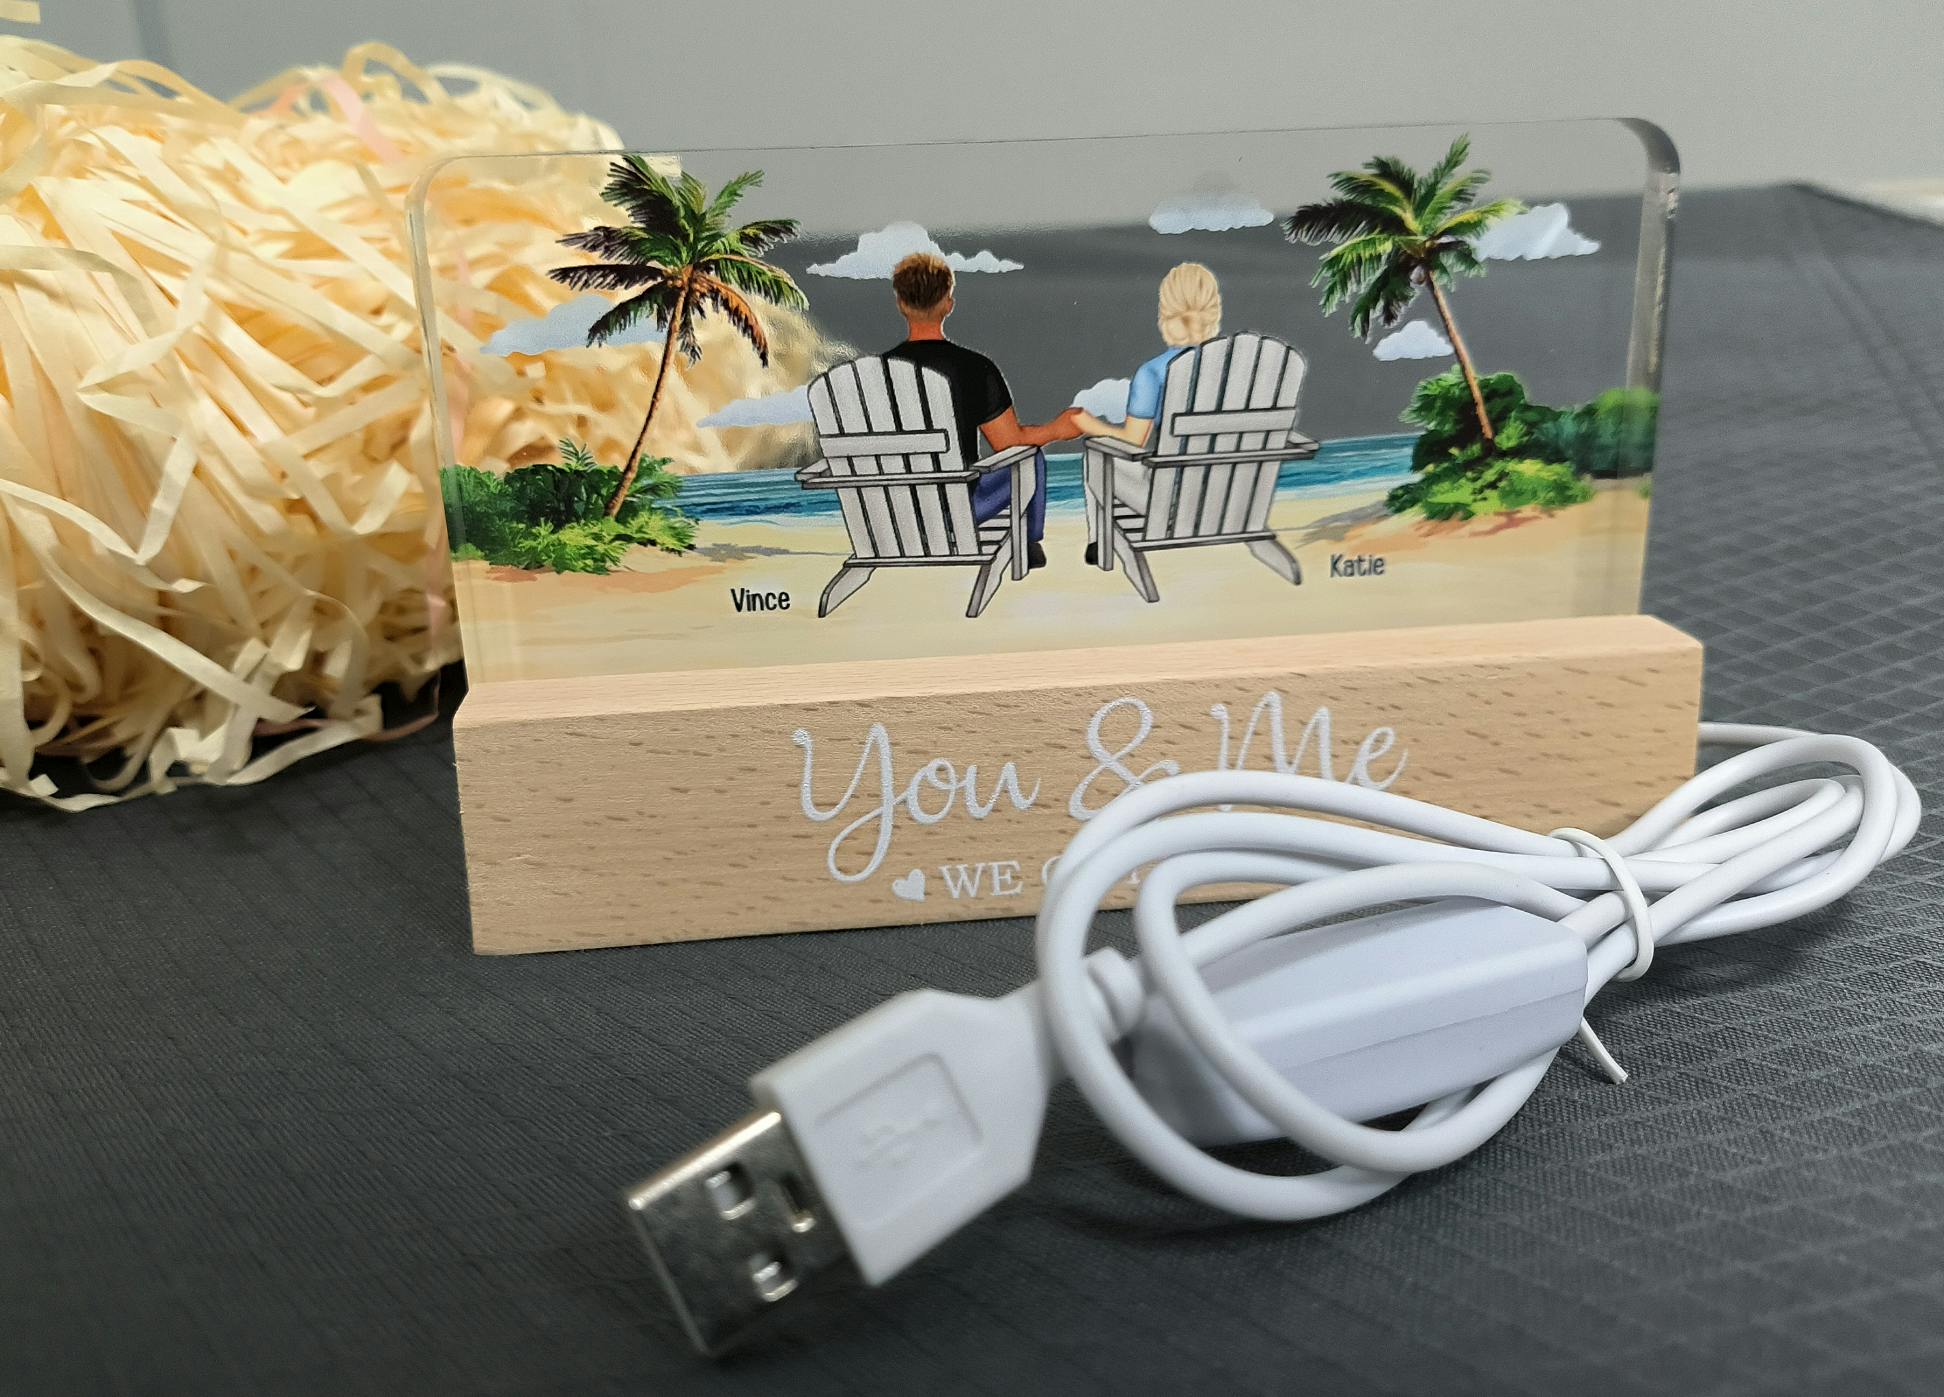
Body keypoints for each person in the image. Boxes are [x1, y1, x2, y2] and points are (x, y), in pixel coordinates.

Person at [883, 252, 1080, 570]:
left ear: (900, 304)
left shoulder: (874, 375)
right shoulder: (975, 369)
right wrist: (1057, 429)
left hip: (893, 513)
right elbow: (1010, 444)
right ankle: (1028, 543)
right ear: (949, 304)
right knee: (1029, 457)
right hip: (958, 510)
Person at [1071, 262, 1223, 563]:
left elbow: (1132, 442)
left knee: (1097, 454)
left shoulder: (1153, 372)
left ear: (1165, 312)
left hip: (1170, 506)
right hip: (1225, 499)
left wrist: (1089, 424)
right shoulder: (1235, 367)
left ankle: (1098, 541)